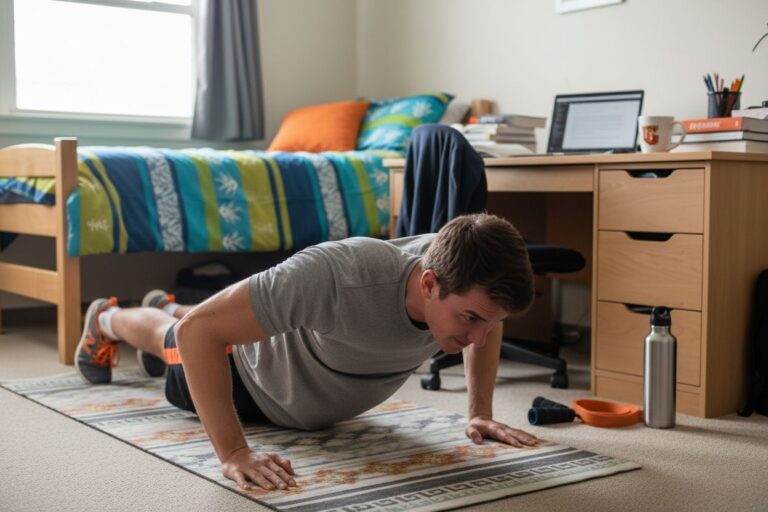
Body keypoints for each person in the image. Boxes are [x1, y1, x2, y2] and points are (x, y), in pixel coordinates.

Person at [74, 213, 538, 491]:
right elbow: (200, 336)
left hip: (306, 373)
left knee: (203, 317)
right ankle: (107, 319)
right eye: (471, 321)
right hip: (246, 376)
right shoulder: (338, 273)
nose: (478, 336)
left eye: (489, 322)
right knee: (176, 336)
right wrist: (234, 452)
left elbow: (488, 318)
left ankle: (169, 303)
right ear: (429, 285)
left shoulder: (462, 283)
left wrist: (479, 410)